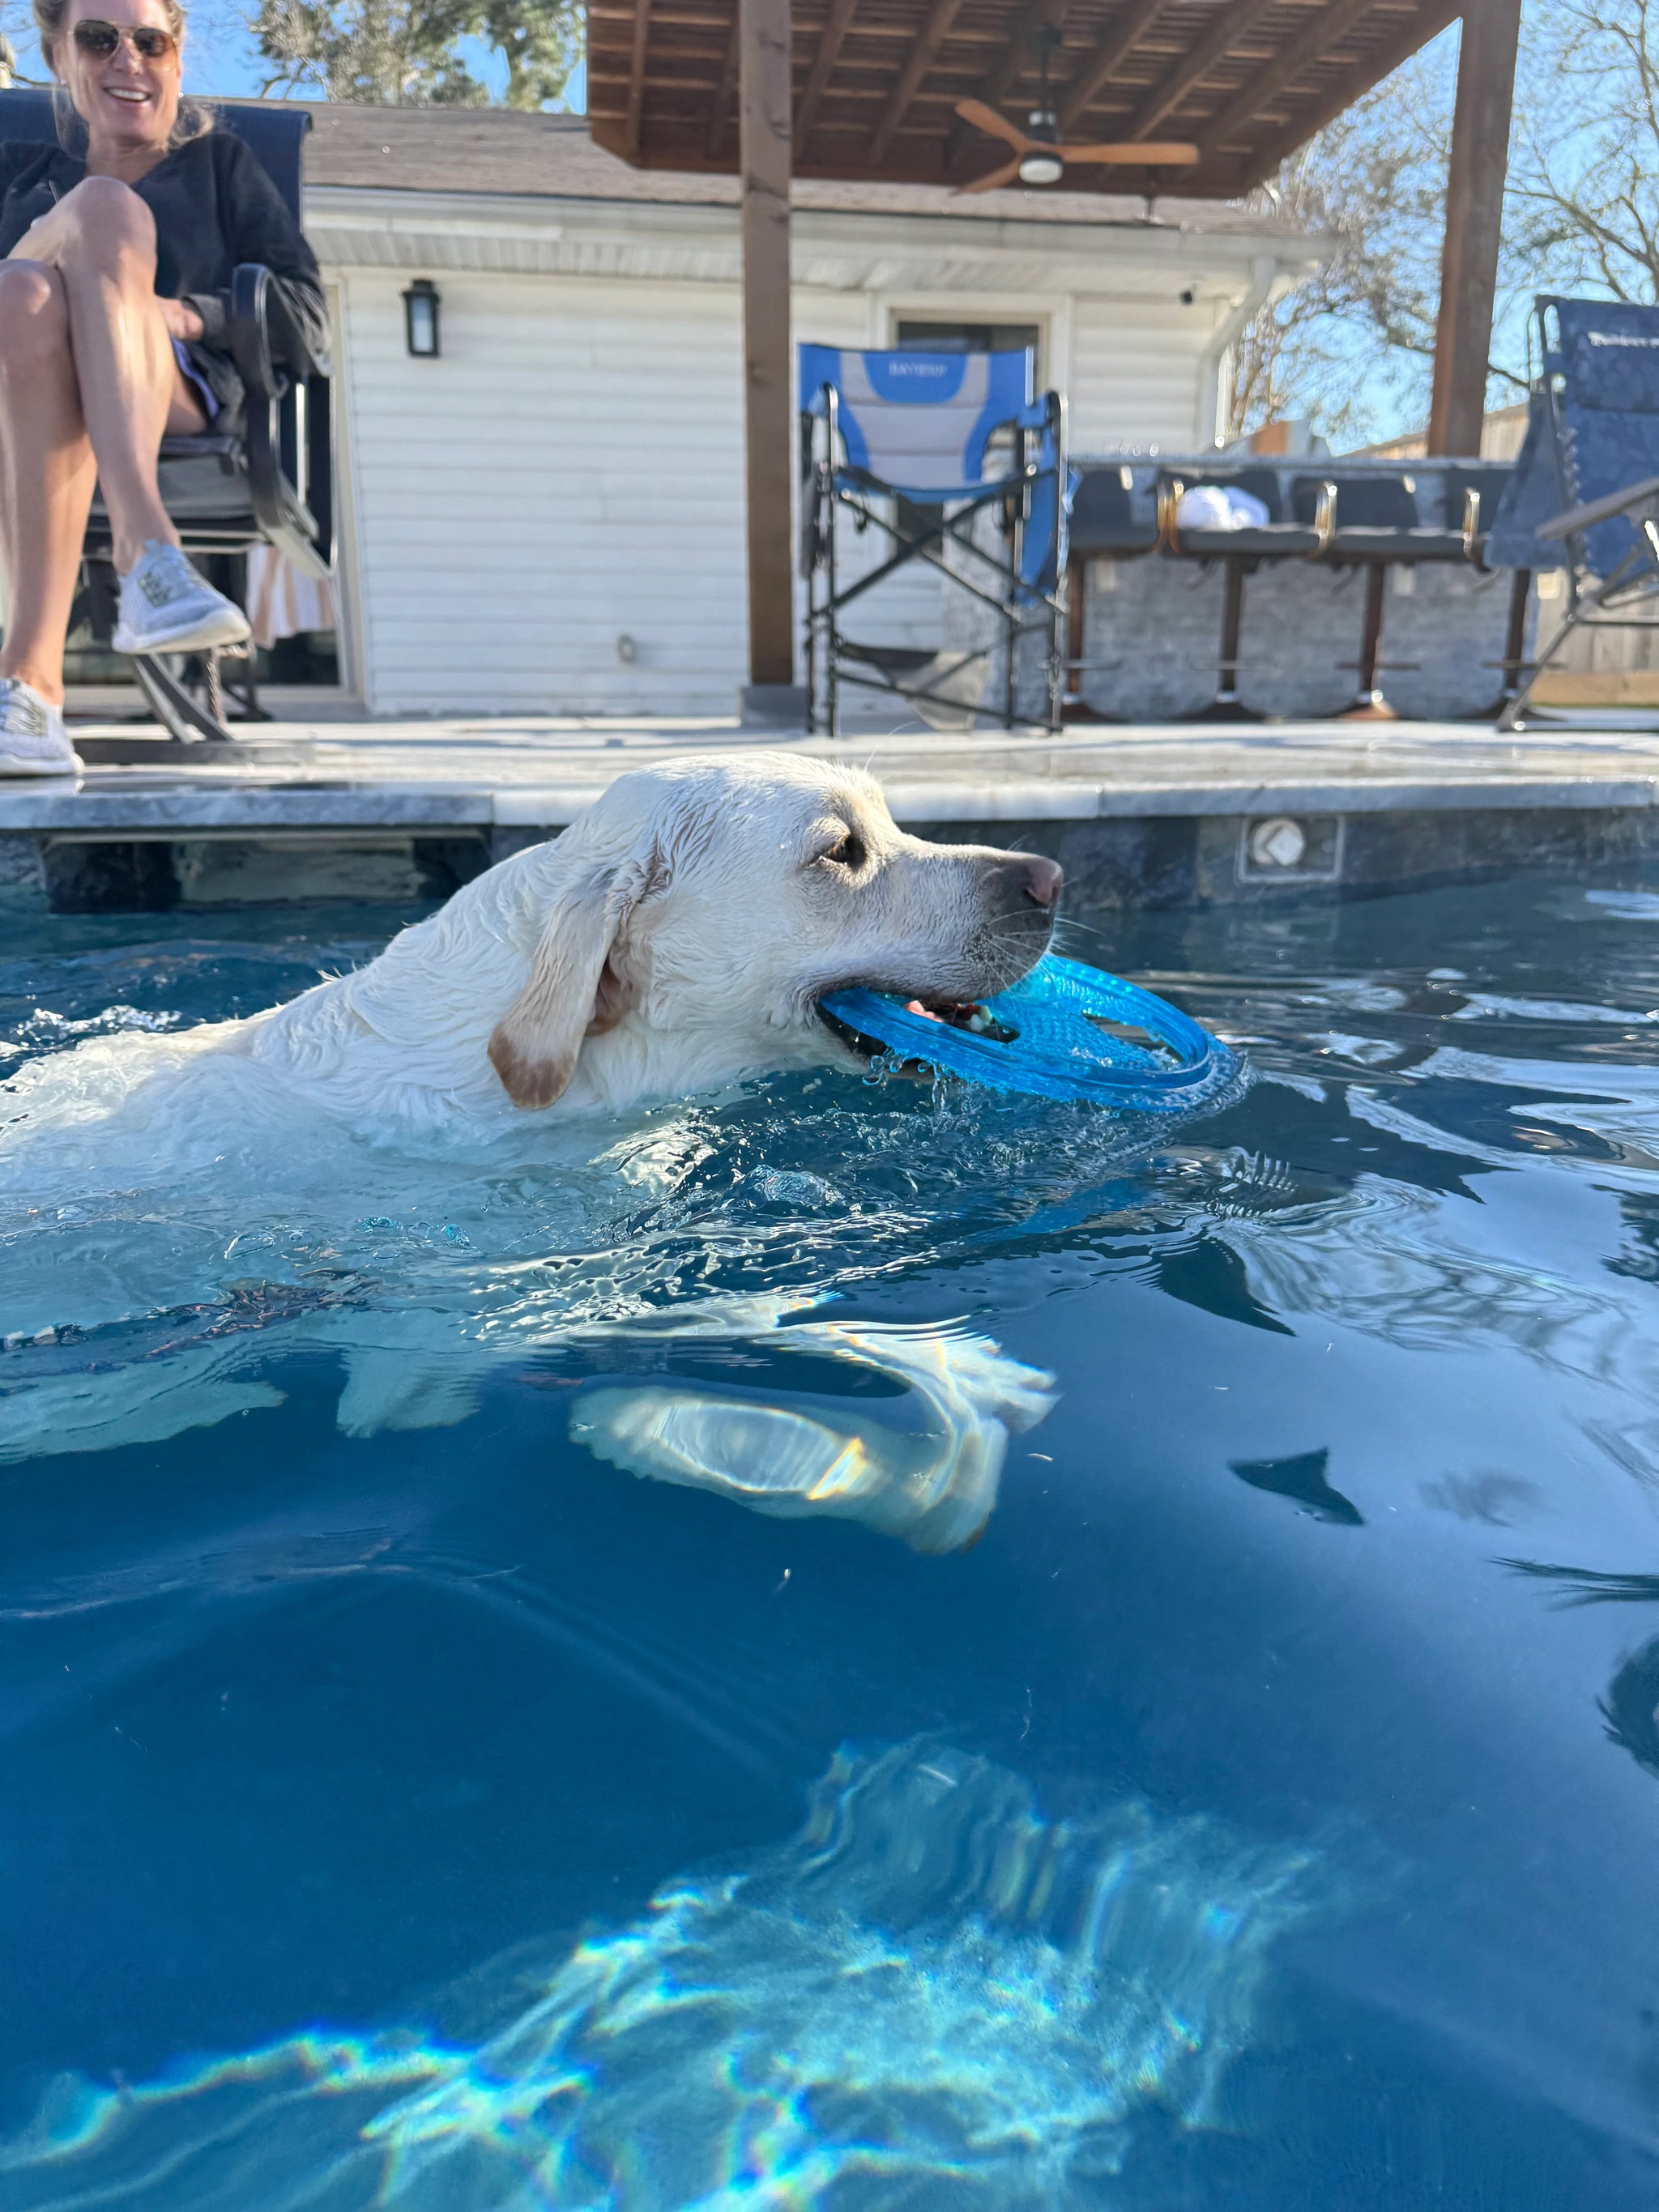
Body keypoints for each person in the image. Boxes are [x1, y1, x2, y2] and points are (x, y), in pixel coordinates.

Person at [0, 0, 326, 774]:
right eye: (98, 37)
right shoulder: (17, 172)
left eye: (150, 40)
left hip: (176, 392)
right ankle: (138, 578)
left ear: (176, 61)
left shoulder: (223, 170)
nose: (128, 58)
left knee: (92, 224)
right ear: (58, 57)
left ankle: (37, 673)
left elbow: (306, 317)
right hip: (17, 378)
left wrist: (183, 316)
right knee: (22, 293)